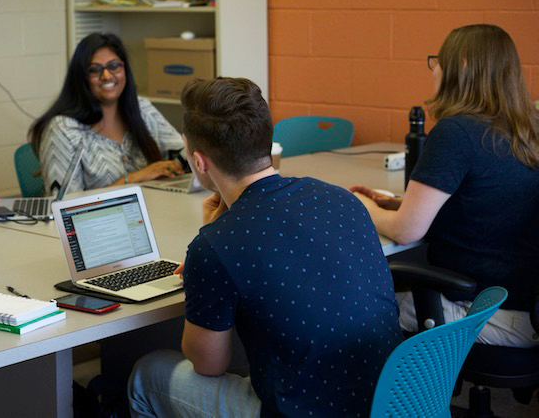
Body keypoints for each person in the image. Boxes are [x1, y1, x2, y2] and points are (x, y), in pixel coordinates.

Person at [128, 77, 402, 417]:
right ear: (265, 143)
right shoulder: (341, 199)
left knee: (148, 373)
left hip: (304, 409)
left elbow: (207, 364)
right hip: (390, 399)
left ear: (199, 162)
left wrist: (211, 241)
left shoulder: (215, 246)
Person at [351, 24, 539, 348]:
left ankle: (377, 399)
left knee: (349, 305)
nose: (434, 68)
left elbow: (406, 231)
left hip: (480, 310)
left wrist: (361, 207)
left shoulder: (457, 132)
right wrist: (403, 203)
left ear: (462, 67)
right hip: (524, 308)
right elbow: (486, 202)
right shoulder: (526, 129)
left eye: (438, 60)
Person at [29, 32, 184, 194]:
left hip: (154, 211)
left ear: (125, 69)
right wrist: (133, 179)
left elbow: (183, 155)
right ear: (81, 77)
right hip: (101, 220)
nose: (106, 75)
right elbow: (66, 208)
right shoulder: (63, 129)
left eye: (113, 66)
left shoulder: (142, 108)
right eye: (94, 70)